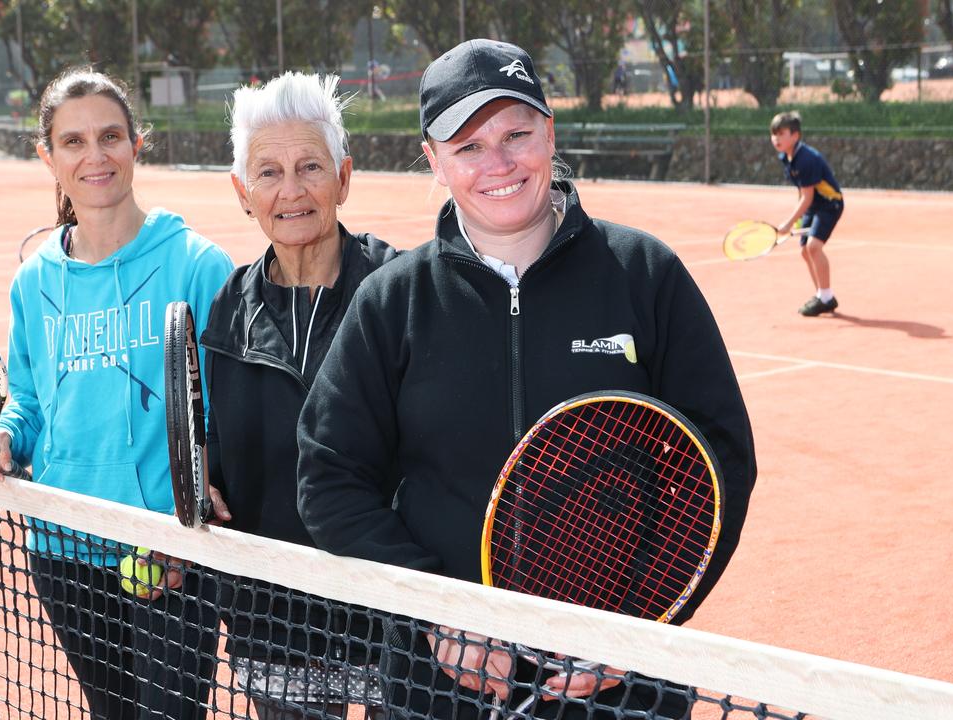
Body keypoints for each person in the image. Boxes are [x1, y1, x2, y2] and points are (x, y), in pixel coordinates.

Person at [296, 39, 756, 720]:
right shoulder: (392, 301)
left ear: (550, 132)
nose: (499, 163)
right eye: (469, 146)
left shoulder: (645, 275)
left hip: (624, 688)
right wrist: (437, 608)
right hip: (436, 687)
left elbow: (718, 463)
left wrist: (640, 622)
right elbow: (329, 476)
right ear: (433, 159)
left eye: (517, 134)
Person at [0, 67, 235, 720]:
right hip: (64, 548)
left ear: (137, 144)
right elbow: (28, 400)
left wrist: (196, 505)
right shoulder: (34, 284)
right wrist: (4, 437)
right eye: (74, 141)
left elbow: (230, 409)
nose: (95, 155)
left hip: (166, 550)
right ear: (47, 157)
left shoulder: (197, 265)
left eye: (110, 136)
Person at [200, 72, 398, 720]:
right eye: (269, 172)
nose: (291, 190)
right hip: (274, 624)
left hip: (392, 623)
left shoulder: (402, 293)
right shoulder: (227, 309)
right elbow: (213, 442)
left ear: (343, 177)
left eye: (309, 166)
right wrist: (201, 472)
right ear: (242, 192)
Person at [770, 110, 845, 317]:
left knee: (813, 246)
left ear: (795, 136)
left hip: (830, 204)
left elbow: (808, 197)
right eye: (773, 134)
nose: (776, 138)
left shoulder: (806, 159)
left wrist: (788, 222)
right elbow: (802, 193)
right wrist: (799, 220)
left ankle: (826, 297)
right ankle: (822, 296)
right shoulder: (786, 157)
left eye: (781, 133)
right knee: (805, 250)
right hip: (814, 206)